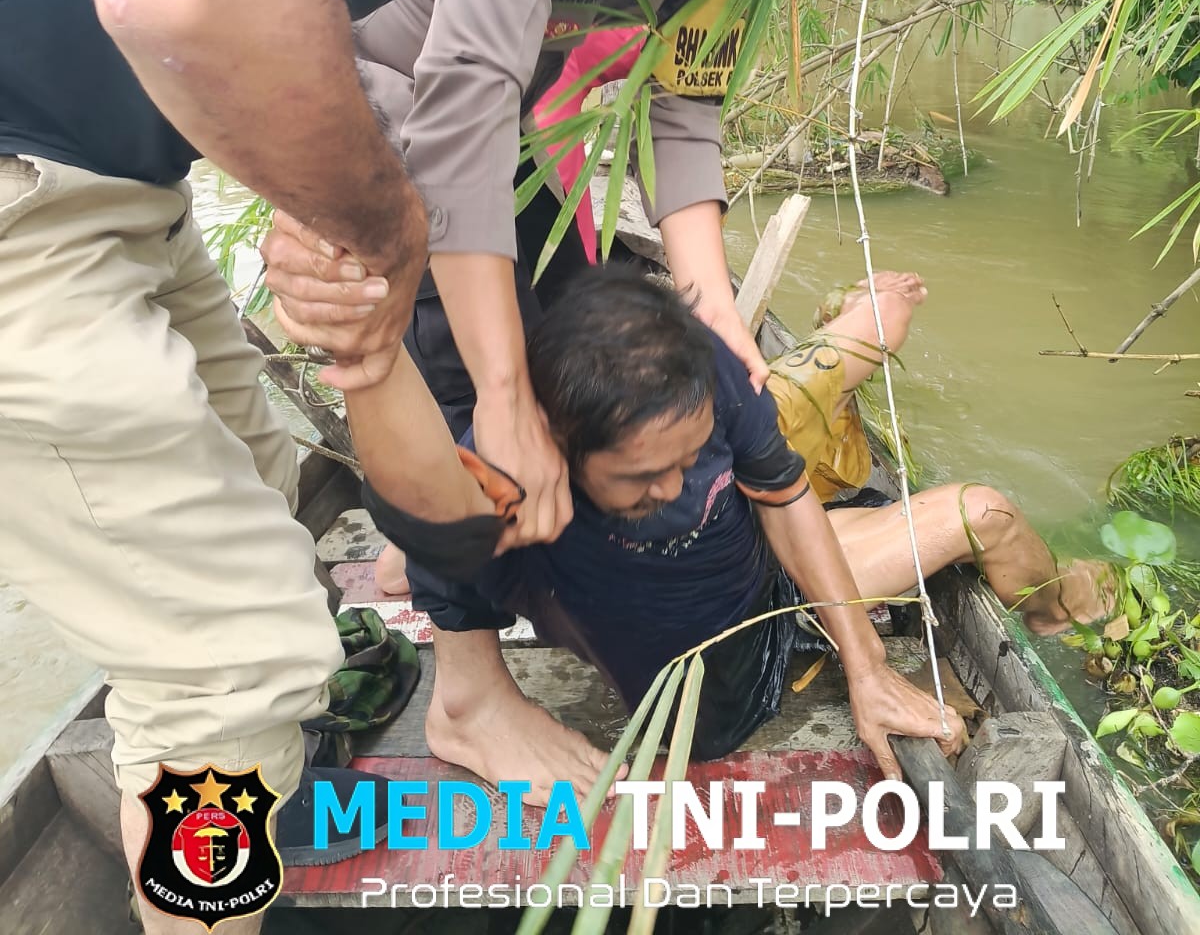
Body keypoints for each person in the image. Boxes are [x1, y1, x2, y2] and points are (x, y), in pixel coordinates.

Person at [0, 0, 863, 931]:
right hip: (27, 183)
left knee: (288, 488)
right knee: (228, 666)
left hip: (114, 172)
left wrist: (328, 244)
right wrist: (379, 227)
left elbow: (265, 14)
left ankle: (433, 684)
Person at [350, 0, 888, 594]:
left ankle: (524, 514)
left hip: (505, 122)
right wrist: (500, 393)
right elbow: (455, 134)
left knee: (579, 316)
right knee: (461, 361)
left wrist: (711, 303)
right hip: (386, 109)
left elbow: (682, 111)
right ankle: (447, 599)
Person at [408, 265, 1115, 802]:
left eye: (687, 463)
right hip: (765, 602)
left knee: (895, 429)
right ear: (556, 452)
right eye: (644, 478)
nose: (672, 489)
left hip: (768, 555)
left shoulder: (707, 375)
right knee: (964, 500)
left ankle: (1060, 608)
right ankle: (851, 333)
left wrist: (868, 666)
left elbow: (782, 492)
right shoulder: (508, 479)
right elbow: (423, 530)